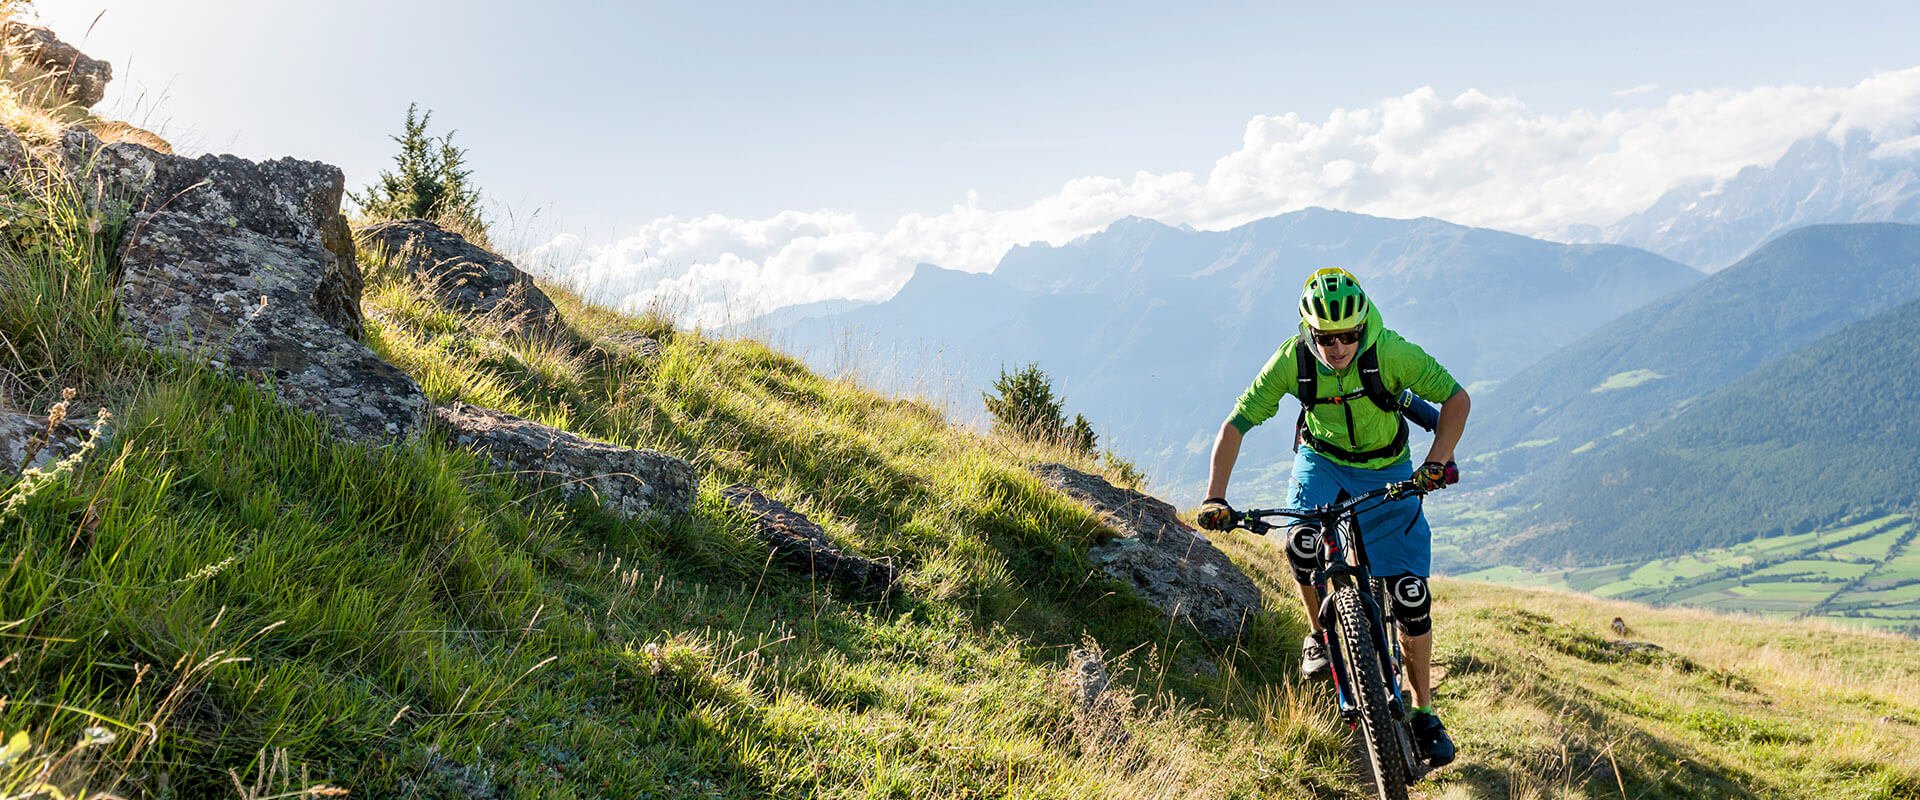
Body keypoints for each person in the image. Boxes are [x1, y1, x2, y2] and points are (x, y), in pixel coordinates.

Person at [1195, 267, 1468, 767]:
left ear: (1363, 328)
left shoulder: (1390, 352)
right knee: (1300, 542)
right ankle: (1319, 636)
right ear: (1308, 330)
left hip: (1386, 467)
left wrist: (1435, 461)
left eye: (1348, 336)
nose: (1338, 347)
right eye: (1326, 337)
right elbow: (1237, 421)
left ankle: (1424, 712)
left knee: (1410, 596)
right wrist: (1216, 496)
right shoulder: (1293, 359)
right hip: (1319, 461)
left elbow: (1456, 399)